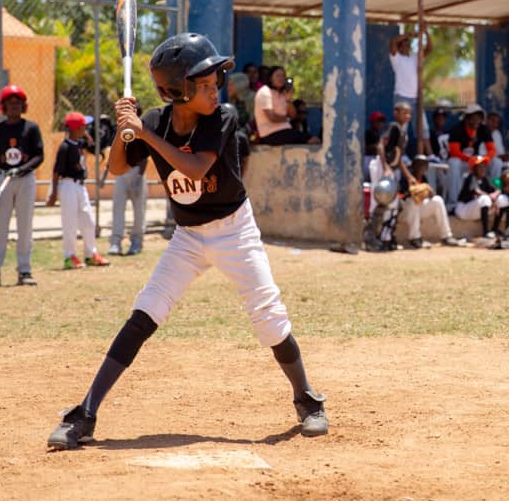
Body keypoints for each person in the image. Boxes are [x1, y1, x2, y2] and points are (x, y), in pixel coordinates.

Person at [46, 32, 328, 449]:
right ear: (176, 91)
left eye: (216, 82)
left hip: (235, 228)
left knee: (268, 316)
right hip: (189, 235)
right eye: (205, 84)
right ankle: (84, 413)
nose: (216, 90)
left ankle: (307, 399)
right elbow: (120, 168)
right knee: (146, 309)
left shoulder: (223, 117)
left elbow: (195, 169)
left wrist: (146, 135)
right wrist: (127, 130)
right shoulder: (155, 122)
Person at [0, 86, 45, 288]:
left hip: (25, 180)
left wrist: (22, 169)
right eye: (10, 104)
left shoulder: (31, 128)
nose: (14, 107)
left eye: (18, 103)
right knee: (0, 227)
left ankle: (24, 270)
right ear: (3, 107)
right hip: (3, 180)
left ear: (23, 106)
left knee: (24, 226)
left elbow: (39, 156)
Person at [47, 112, 111, 270]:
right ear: (75, 128)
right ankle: (69, 256)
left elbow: (93, 146)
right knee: (70, 222)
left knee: (88, 220)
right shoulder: (65, 147)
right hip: (68, 185)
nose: (86, 128)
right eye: (83, 126)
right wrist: (53, 193)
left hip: (80, 186)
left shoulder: (79, 143)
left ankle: (91, 255)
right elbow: (56, 172)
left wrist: (88, 137)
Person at [398, 154, 467, 249]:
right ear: (413, 165)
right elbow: (402, 198)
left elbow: (429, 195)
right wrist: (412, 192)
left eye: (424, 165)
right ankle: (415, 238)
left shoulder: (424, 178)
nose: (422, 167)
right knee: (412, 202)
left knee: (437, 200)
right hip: (404, 212)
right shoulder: (406, 177)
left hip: (417, 211)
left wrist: (429, 192)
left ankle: (446, 236)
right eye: (420, 164)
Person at [108, 107, 148, 257]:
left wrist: (139, 175)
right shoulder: (119, 128)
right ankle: (115, 242)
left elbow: (145, 156)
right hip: (121, 172)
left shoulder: (143, 128)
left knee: (139, 210)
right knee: (118, 208)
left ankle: (137, 241)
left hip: (137, 171)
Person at [446, 104, 496, 213]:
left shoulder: (483, 129)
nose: (476, 121)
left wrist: (485, 159)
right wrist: (470, 159)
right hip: (461, 162)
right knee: (453, 163)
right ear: (467, 118)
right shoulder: (457, 129)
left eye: (479, 118)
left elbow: (492, 149)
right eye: (473, 118)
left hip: (477, 163)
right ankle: (453, 203)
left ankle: (493, 196)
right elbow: (454, 152)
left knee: (497, 162)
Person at [389, 30, 432, 149]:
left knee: (423, 127)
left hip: (416, 97)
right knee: (402, 128)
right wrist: (408, 35)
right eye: (404, 44)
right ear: (400, 47)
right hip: (402, 97)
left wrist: (426, 33)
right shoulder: (396, 58)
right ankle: (400, 155)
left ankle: (430, 155)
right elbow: (392, 42)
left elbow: (429, 49)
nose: (407, 46)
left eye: (408, 44)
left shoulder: (414, 57)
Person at [254, 67, 317, 145]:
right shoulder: (264, 92)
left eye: (283, 76)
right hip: (271, 134)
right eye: (278, 76)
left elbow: (293, 115)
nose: (281, 78)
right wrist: (286, 119)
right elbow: (272, 117)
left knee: (314, 140)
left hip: (285, 131)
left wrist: (288, 99)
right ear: (270, 78)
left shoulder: (282, 94)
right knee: (311, 140)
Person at [455, 155, 509, 239]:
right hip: (463, 210)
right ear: (474, 168)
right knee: (485, 199)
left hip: (475, 209)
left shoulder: (485, 179)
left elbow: (498, 189)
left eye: (484, 166)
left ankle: (494, 229)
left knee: (503, 199)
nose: (483, 168)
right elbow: (477, 191)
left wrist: (495, 196)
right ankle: (485, 233)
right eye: (480, 166)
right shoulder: (470, 177)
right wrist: (493, 200)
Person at [226, 71, 254, 173]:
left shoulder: (253, 99)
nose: (228, 87)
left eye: (231, 84)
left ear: (240, 84)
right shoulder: (232, 102)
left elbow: (252, 121)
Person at [481, 111, 506, 180]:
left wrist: (506, 157)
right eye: (492, 121)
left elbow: (500, 154)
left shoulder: (496, 133)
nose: (495, 124)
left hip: (489, 161)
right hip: (477, 160)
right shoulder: (480, 130)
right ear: (486, 120)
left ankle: (494, 187)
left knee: (498, 162)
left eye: (497, 123)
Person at [363, 111, 387, 178]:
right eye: (378, 121)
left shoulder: (380, 134)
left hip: (377, 159)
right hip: (368, 159)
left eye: (381, 121)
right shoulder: (368, 133)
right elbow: (363, 148)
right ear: (372, 122)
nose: (380, 123)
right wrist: (377, 146)